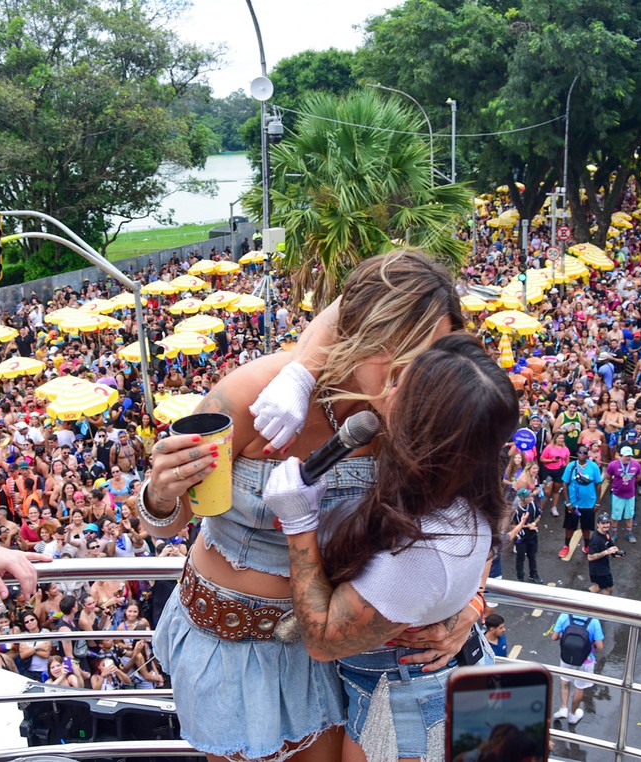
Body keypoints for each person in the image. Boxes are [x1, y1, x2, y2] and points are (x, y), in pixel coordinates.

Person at [145, 251, 481, 762]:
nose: (409, 374)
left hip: (346, 651)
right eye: (395, 352)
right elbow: (170, 522)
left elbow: (473, 518)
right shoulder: (256, 391)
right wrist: (160, 493)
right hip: (237, 650)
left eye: (428, 355)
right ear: (359, 336)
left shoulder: (430, 415)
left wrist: (472, 604)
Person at [262, 333, 517, 761]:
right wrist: (472, 603)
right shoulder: (465, 493)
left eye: (404, 386)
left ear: (424, 428)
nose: (389, 387)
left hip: (407, 713)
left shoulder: (418, 554)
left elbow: (323, 641)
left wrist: (299, 524)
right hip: (435, 690)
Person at [549, 612, 604, 726]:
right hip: (585, 661)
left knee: (565, 681)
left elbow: (554, 637)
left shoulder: (564, 616)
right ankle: (572, 715)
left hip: (567, 657)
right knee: (579, 687)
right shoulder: (594, 621)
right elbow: (600, 647)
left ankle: (563, 708)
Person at [559, 446, 603, 558]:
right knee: (569, 527)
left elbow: (598, 484)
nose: (582, 454)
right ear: (577, 453)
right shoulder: (571, 466)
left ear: (588, 454)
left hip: (588, 504)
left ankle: (587, 546)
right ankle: (566, 546)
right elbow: (565, 484)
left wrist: (597, 502)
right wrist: (568, 502)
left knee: (586, 527)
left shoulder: (593, 467)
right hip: (573, 504)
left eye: (585, 452)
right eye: (580, 452)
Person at [600, 446, 641, 544]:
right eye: (626, 456)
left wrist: (630, 483)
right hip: (617, 494)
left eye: (630, 456)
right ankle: (614, 534)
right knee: (615, 516)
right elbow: (608, 477)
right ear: (621, 455)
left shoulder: (636, 465)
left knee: (629, 515)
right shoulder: (613, 465)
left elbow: (639, 477)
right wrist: (616, 484)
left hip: (630, 495)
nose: (628, 457)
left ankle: (629, 533)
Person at [511, 489, 543, 584]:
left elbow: (538, 516)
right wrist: (525, 526)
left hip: (532, 536)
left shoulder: (532, 504)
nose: (531, 498)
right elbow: (512, 525)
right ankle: (520, 577)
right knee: (520, 557)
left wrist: (533, 523)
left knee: (532, 556)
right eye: (528, 497)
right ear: (522, 498)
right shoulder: (516, 510)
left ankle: (533, 574)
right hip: (521, 537)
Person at [585, 513, 620, 595]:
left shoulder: (606, 533)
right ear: (598, 524)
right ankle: (582, 599)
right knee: (607, 588)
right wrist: (607, 552)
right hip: (599, 570)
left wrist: (615, 552)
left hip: (603, 567)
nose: (606, 525)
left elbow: (609, 545)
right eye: (603, 523)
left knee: (600, 587)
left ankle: (582, 599)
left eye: (607, 523)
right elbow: (590, 557)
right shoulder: (595, 540)